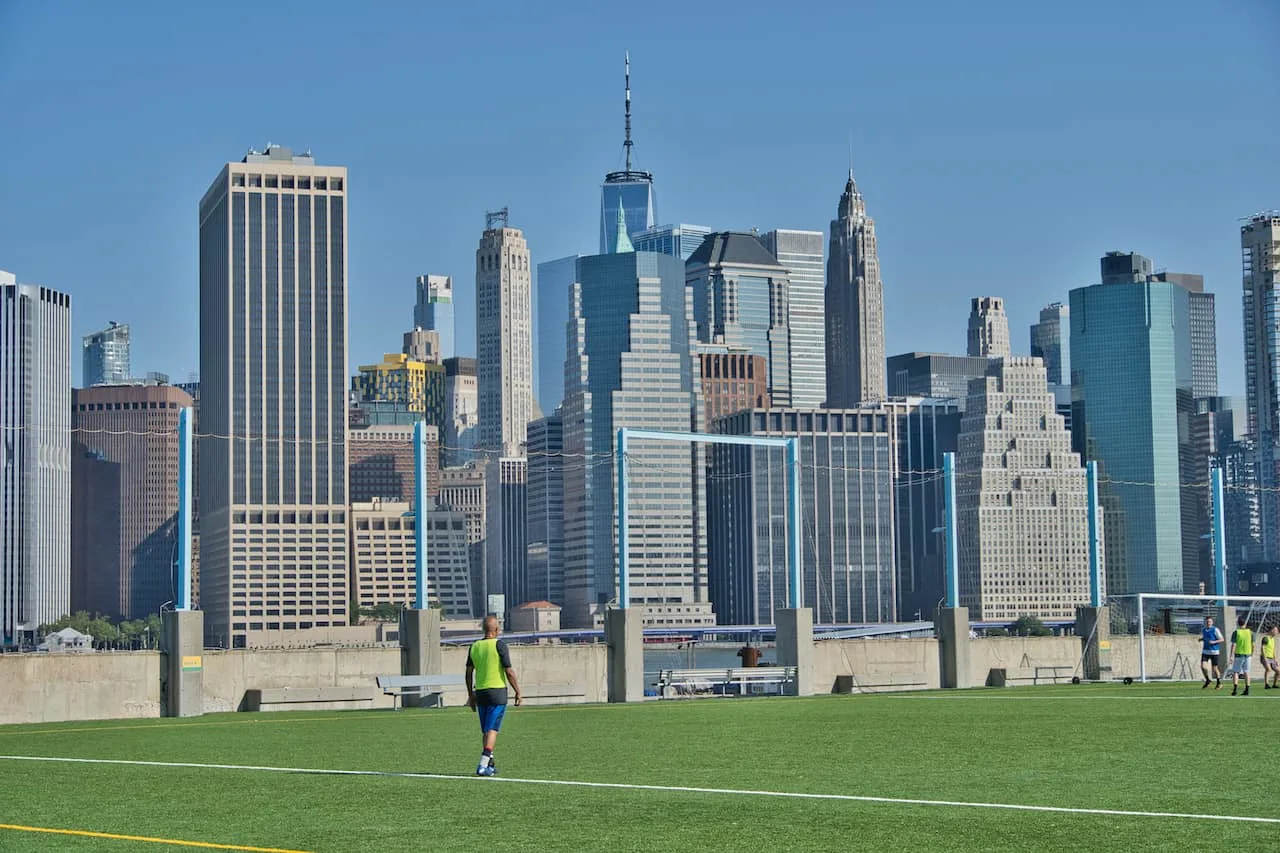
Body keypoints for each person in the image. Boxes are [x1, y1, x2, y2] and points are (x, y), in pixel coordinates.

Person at [465, 615, 522, 777]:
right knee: (492, 730)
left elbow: (468, 673)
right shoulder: (500, 645)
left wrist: (471, 694)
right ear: (496, 630)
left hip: (481, 692)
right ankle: (483, 765)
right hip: (497, 692)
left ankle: (490, 764)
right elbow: (509, 671)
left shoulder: (474, 646)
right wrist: (518, 691)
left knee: (486, 730)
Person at [1228, 616, 1253, 696]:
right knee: (1247, 672)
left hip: (1239, 655)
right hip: (1248, 655)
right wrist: (1251, 652)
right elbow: (1253, 645)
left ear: (1238, 623)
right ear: (1245, 623)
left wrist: (1231, 656)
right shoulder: (1251, 632)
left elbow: (1234, 645)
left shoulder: (1236, 632)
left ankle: (1235, 690)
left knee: (1236, 672)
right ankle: (1247, 689)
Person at [1200, 616, 1224, 690]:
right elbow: (1206, 637)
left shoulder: (1215, 629)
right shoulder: (1204, 630)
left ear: (1212, 622)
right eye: (1207, 622)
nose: (1208, 623)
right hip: (1205, 651)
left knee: (1215, 669)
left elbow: (1222, 639)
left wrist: (1214, 642)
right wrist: (1202, 639)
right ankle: (1208, 680)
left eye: (1210, 621)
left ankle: (1219, 683)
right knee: (1203, 666)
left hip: (1214, 652)